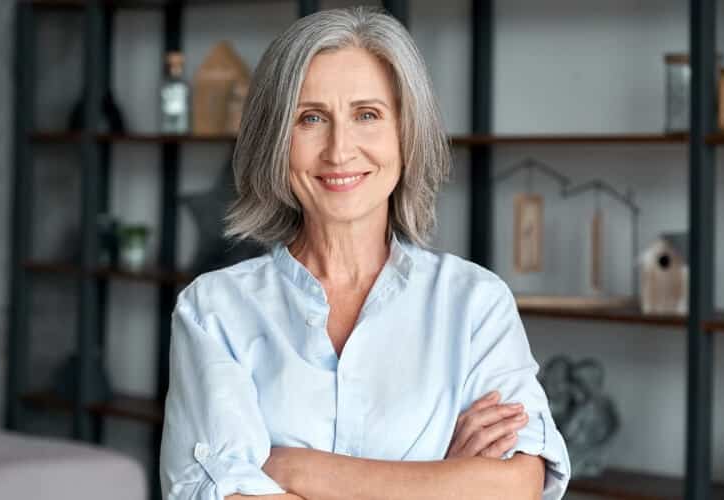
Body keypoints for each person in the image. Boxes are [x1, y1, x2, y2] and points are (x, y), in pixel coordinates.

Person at [160, 6, 570, 500]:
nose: (339, 150)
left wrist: (298, 469)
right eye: (310, 118)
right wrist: (444, 480)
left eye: (367, 115)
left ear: (405, 133)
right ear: (275, 140)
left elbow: (517, 485)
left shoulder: (475, 304)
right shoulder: (213, 311)